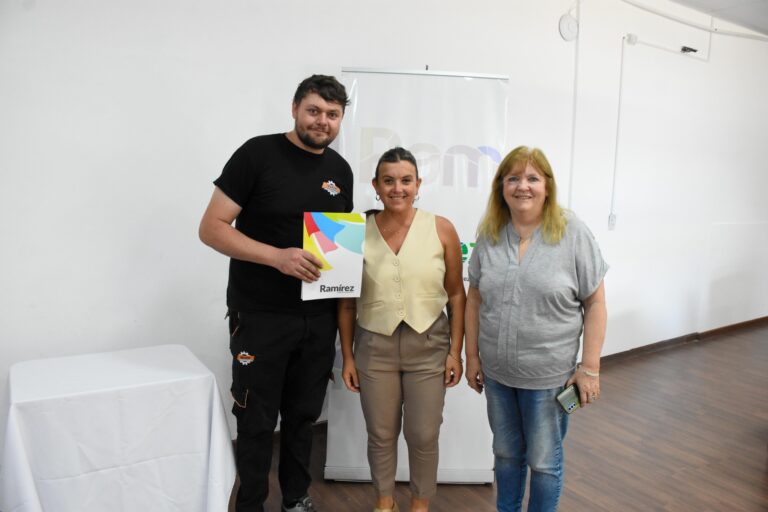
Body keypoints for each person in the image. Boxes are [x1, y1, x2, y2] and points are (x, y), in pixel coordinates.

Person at [199, 74, 352, 512]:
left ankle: (296, 498)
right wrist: (276, 257)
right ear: (294, 108)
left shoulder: (340, 171)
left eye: (332, 114)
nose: (322, 121)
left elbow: (338, 245)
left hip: (318, 317)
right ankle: (250, 504)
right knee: (256, 418)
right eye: (314, 110)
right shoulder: (257, 154)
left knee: (304, 417)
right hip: (260, 315)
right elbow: (211, 228)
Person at [464, 146, 608, 512]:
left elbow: (595, 303)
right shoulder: (491, 233)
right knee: (506, 454)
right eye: (513, 178)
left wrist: (590, 368)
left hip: (548, 378)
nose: (522, 186)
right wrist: (472, 356)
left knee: (544, 463)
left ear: (547, 186)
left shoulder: (572, 232)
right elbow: (475, 297)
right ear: (501, 187)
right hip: (497, 375)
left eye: (532, 178)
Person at [338, 147, 466, 512]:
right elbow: (346, 303)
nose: (398, 188)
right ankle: (384, 503)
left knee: (424, 434)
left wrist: (455, 352)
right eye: (389, 181)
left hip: (429, 346)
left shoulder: (441, 228)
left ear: (418, 184)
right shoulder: (353, 233)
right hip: (373, 347)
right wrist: (348, 357)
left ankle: (419, 505)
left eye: (406, 180)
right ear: (376, 186)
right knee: (380, 433)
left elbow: (456, 294)